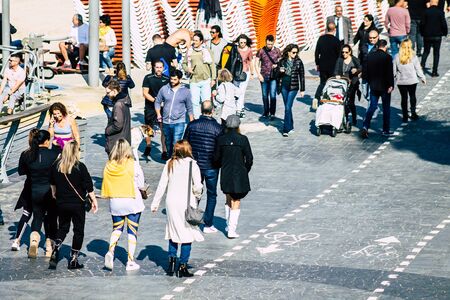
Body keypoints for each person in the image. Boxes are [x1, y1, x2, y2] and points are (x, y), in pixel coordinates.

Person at [151, 140, 204, 278]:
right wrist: (197, 195)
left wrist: (155, 203)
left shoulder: (170, 163)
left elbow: (162, 185)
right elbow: (198, 186)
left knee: (173, 231)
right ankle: (182, 266)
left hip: (171, 202)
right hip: (187, 202)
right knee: (187, 234)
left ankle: (172, 262)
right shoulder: (193, 164)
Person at [49, 140, 98, 270]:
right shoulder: (80, 166)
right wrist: (94, 201)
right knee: (78, 230)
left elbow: (52, 183)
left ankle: (57, 246)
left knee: (63, 227)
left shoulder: (57, 166)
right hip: (77, 204)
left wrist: (55, 194)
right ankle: (73, 259)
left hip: (61, 202)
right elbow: (89, 186)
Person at [101, 139, 145, 271]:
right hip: (132, 200)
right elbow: (141, 184)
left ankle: (110, 251)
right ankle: (130, 261)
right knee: (132, 230)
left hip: (115, 201)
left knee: (116, 229)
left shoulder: (109, 165)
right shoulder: (134, 164)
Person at [18, 130, 59, 258]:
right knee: (51, 218)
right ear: (47, 141)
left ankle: (34, 242)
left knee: (37, 217)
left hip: (34, 190)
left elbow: (21, 171)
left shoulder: (27, 154)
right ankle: (48, 245)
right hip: (50, 191)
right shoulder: (54, 153)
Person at [183, 101, 222, 233]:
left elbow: (185, 143)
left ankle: (192, 219)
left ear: (201, 110)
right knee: (212, 195)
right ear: (212, 111)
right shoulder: (218, 128)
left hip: (195, 165)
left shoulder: (192, 125)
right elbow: (219, 149)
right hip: (211, 166)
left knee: (195, 193)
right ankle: (208, 224)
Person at [214, 115, 252, 238]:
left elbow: (216, 158)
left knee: (228, 198)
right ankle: (231, 229)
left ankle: (227, 224)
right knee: (236, 200)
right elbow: (249, 158)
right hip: (239, 173)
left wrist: (220, 165)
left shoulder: (221, 139)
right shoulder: (243, 139)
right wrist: (246, 169)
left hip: (226, 172)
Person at [11, 129, 39, 251]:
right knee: (41, 216)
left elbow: (21, 171)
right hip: (44, 187)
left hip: (29, 186)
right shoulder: (45, 154)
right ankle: (40, 242)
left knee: (26, 214)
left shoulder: (25, 154)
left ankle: (17, 241)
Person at [155, 70, 194, 157]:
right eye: (171, 79)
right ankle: (170, 159)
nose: (172, 81)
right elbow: (157, 102)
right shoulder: (164, 89)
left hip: (179, 122)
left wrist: (191, 121)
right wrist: (158, 114)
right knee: (168, 143)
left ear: (180, 79)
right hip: (166, 121)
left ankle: (175, 161)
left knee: (176, 143)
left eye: (175, 79)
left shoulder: (186, 91)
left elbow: (189, 108)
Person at [361, 40, 394, 138]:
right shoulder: (388, 57)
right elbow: (389, 73)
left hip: (374, 86)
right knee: (386, 108)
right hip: (385, 87)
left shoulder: (369, 56)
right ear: (385, 47)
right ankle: (385, 130)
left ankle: (365, 126)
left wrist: (369, 82)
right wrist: (391, 85)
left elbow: (365, 73)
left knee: (372, 106)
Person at [183, 31, 217, 118]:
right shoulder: (189, 51)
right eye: (193, 40)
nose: (194, 42)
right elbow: (184, 64)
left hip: (206, 80)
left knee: (206, 101)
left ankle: (207, 118)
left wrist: (213, 79)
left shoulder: (207, 50)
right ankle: (198, 119)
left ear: (201, 41)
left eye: (196, 40)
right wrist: (188, 69)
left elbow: (212, 65)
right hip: (194, 80)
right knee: (195, 102)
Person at [394, 39, 426, 122]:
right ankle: (413, 113)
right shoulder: (413, 56)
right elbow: (418, 69)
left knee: (403, 98)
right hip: (412, 80)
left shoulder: (397, 57)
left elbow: (393, 70)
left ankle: (405, 115)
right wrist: (422, 77)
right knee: (412, 96)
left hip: (401, 81)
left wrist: (393, 80)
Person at [142, 60, 170, 158]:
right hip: (150, 107)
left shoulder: (167, 79)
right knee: (147, 128)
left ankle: (164, 151)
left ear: (163, 68)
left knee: (163, 129)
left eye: (160, 67)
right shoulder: (148, 78)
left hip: (163, 108)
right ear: (154, 67)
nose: (158, 69)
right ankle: (148, 145)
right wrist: (156, 101)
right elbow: (145, 93)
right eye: (157, 67)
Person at [277, 44, 305, 137]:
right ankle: (291, 126)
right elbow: (277, 74)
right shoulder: (282, 61)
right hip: (284, 87)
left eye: (296, 52)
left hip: (293, 87)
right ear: (288, 52)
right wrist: (279, 71)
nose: (295, 54)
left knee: (287, 108)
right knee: (287, 108)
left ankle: (285, 129)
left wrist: (302, 89)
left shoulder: (299, 62)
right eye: (293, 52)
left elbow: (302, 76)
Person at [313, 22, 341, 109]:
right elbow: (339, 55)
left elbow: (317, 53)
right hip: (333, 66)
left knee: (322, 83)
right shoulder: (336, 41)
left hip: (323, 65)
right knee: (332, 83)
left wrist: (317, 63)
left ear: (326, 29)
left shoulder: (321, 39)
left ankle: (316, 98)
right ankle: (329, 100)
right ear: (335, 30)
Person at [334, 45, 362, 126]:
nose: (344, 54)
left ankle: (354, 117)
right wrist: (337, 75)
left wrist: (356, 70)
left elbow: (360, 68)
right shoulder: (340, 60)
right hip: (342, 82)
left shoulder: (354, 59)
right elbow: (335, 71)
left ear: (350, 52)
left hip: (352, 83)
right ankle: (345, 118)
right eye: (342, 52)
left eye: (346, 52)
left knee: (350, 102)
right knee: (343, 102)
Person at [255, 35, 282, 119]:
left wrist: (277, 65)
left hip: (273, 77)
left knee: (273, 95)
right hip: (263, 76)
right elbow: (256, 63)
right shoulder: (261, 51)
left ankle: (272, 113)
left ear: (273, 42)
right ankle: (266, 112)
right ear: (265, 42)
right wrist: (258, 75)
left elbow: (281, 63)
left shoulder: (277, 51)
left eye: (271, 44)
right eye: (268, 44)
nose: (269, 46)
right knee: (264, 95)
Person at [420, 0, 448, 77]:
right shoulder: (440, 12)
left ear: (431, 2)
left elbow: (422, 24)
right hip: (437, 35)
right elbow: (443, 24)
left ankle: (421, 67)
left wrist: (422, 33)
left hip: (427, 35)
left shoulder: (426, 11)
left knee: (426, 51)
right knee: (436, 53)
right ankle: (434, 71)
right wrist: (445, 32)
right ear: (437, 2)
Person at [105, 80, 132, 154]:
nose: (107, 95)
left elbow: (118, 125)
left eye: (108, 92)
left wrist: (107, 130)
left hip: (117, 144)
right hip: (123, 141)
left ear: (114, 91)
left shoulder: (118, 105)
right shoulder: (124, 101)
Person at [234, 34, 255, 118]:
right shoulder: (235, 48)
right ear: (238, 42)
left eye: (244, 42)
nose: (242, 44)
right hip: (235, 72)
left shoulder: (249, 50)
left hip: (245, 72)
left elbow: (250, 61)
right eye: (241, 42)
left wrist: (252, 72)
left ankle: (238, 109)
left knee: (242, 91)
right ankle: (238, 107)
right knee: (235, 91)